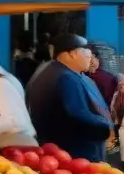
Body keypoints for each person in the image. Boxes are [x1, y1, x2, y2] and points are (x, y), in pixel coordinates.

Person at [26, 33, 113, 162]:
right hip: (75, 153)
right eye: (87, 54)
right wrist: (107, 127)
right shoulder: (66, 78)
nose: (90, 59)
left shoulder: (50, 70)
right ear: (71, 54)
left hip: (57, 150)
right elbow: (77, 114)